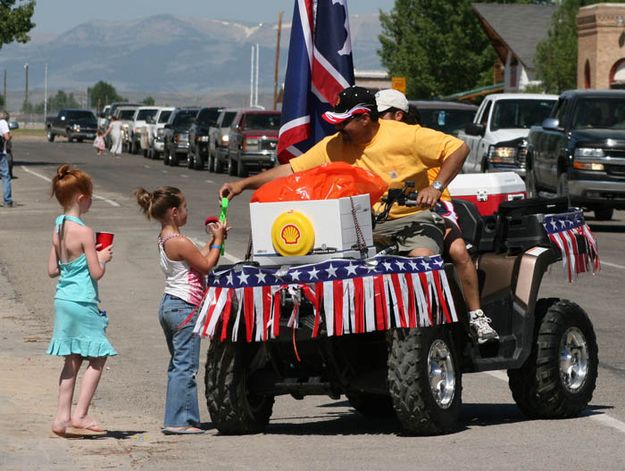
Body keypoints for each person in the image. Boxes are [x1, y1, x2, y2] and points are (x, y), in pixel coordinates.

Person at [220, 86, 468, 261]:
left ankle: (442, 325)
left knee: (420, 261)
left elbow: (459, 148)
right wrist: (243, 184)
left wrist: (435, 188)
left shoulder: (405, 135)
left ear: (364, 119)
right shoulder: (335, 144)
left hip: (413, 220)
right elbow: (291, 169)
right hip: (363, 226)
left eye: (343, 122)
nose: (338, 127)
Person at [375, 88, 498, 344]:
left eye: (380, 115)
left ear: (398, 116)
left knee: (458, 251)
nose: (375, 121)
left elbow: (450, 160)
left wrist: (434, 191)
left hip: (435, 208)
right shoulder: (375, 143)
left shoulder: (417, 138)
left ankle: (476, 315)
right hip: (393, 216)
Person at [135, 186, 228, 435]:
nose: (188, 212)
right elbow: (207, 265)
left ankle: (176, 417)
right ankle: (181, 420)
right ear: (174, 212)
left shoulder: (166, 238)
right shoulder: (180, 242)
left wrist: (214, 241)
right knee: (186, 366)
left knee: (178, 364)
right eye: (185, 208)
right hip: (184, 307)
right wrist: (218, 241)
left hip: (171, 305)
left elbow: (197, 260)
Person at [47, 164, 116, 438]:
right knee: (98, 357)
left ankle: (61, 417)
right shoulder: (86, 233)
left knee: (72, 359)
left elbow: (52, 270)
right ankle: (81, 413)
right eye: (90, 196)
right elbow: (96, 272)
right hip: (82, 300)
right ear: (80, 198)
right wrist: (103, 257)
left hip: (63, 299)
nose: (92, 200)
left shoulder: (58, 226)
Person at [0, 110, 13, 208]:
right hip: (0, 153)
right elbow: (7, 137)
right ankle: (7, 201)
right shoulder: (2, 122)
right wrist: (10, 135)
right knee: (5, 176)